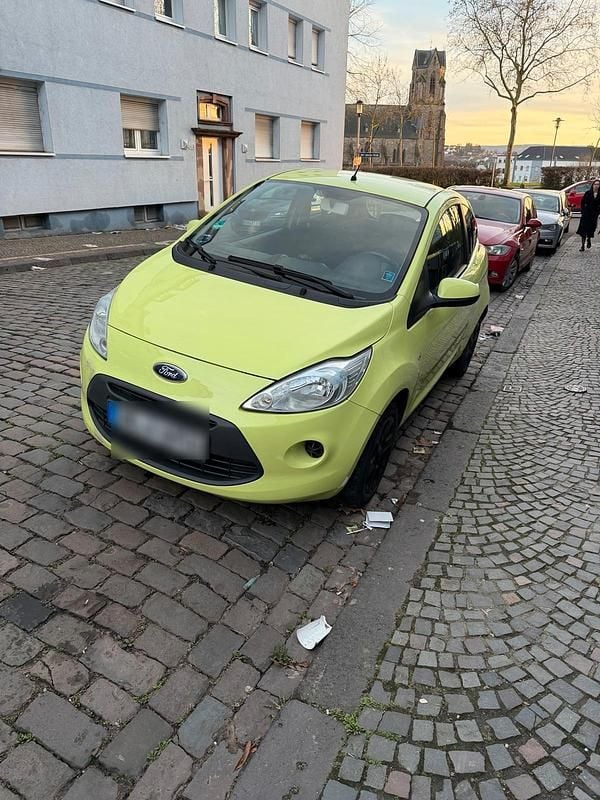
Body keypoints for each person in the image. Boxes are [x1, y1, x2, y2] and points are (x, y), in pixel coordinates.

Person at [577, 179, 600, 251]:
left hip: (594, 215)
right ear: (593, 185)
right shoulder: (587, 193)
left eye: (598, 184)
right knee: (583, 230)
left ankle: (589, 239)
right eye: (595, 184)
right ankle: (582, 246)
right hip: (586, 214)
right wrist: (583, 211)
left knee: (591, 229)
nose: (596, 186)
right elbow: (582, 203)